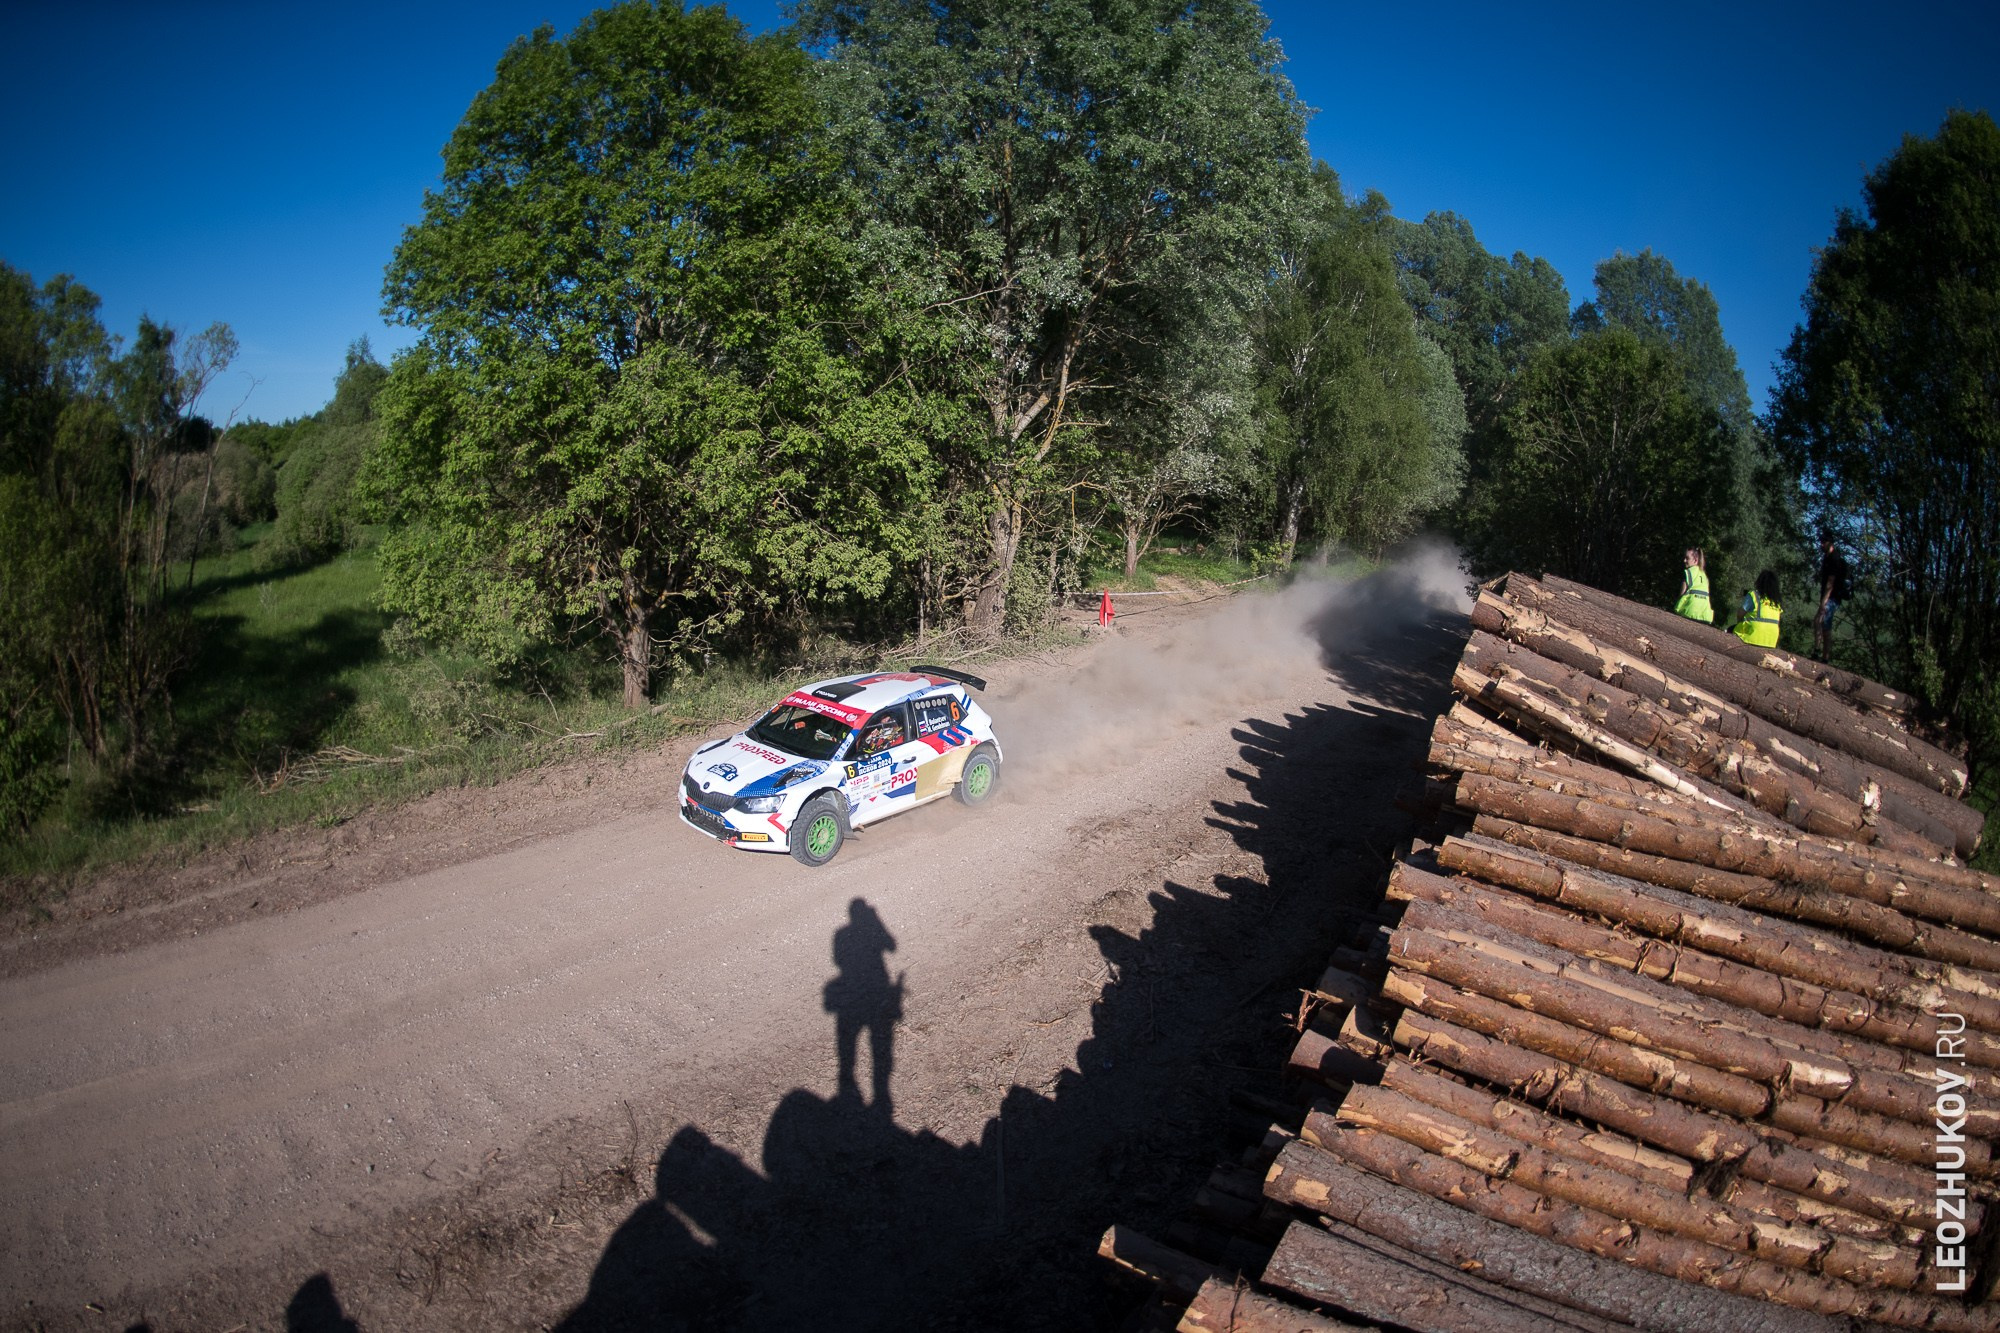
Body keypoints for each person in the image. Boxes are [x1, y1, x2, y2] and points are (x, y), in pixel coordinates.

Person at [1815, 531, 1851, 661]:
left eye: (1823, 542)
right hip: (1828, 596)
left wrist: (1824, 601)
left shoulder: (1834, 559)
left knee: (1823, 623)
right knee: (1820, 622)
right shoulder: (1827, 558)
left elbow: (1830, 582)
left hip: (1832, 597)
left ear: (1830, 543)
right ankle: (1819, 652)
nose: (1821, 544)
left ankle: (1824, 656)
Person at [1733, 570, 1783, 648]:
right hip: (1771, 641)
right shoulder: (1776, 602)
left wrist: (1739, 623)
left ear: (1759, 582)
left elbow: (1740, 614)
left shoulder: (1754, 595)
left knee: (1730, 630)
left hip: (1751, 637)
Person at [1674, 548, 1713, 624]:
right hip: (1704, 615)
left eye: (1687, 558)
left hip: (1689, 611)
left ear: (1695, 560)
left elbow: (1682, 594)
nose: (1684, 560)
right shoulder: (1704, 576)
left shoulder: (1688, 573)